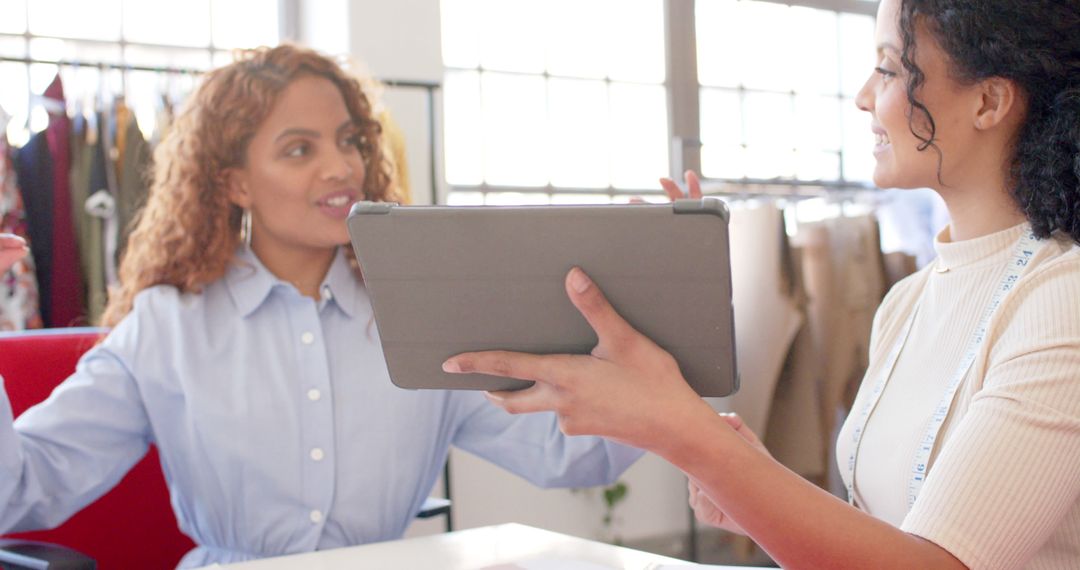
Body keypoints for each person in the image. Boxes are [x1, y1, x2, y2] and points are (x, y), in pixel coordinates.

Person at [443, 1, 1080, 568]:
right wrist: (746, 487)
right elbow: (882, 537)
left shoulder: (1062, 300)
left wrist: (688, 435)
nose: (863, 97)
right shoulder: (907, 302)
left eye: (888, 69)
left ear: (989, 102)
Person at [0, 45, 641, 568]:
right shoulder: (168, 327)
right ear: (235, 183)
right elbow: (22, 490)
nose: (342, 166)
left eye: (349, 140)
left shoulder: (418, 319)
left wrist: (660, 302)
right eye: (300, 149)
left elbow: (570, 454)